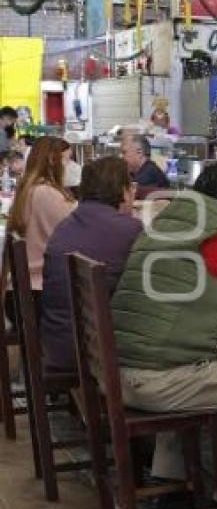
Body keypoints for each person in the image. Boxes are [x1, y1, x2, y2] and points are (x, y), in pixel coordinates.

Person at [110, 161, 217, 509]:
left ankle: (172, 486)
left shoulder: (169, 219)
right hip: (153, 382)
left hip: (117, 370)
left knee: (190, 357)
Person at [40, 157, 142, 371]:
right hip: (94, 354)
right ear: (123, 190)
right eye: (130, 186)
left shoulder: (66, 225)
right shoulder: (130, 230)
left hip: (58, 344)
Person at [6, 137, 77, 315]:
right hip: (39, 293)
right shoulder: (47, 193)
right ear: (53, 160)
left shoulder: (27, 188)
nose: (72, 166)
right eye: (67, 160)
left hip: (21, 290)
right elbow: (79, 227)